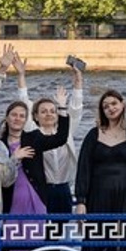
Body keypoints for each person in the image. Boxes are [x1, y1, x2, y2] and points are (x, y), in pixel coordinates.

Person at [74, 54, 126, 215]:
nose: (110, 108)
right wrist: (80, 201)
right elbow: (83, 168)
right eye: (106, 106)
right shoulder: (94, 134)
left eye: (114, 103)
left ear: (123, 104)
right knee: (100, 231)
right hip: (98, 195)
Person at [0, 88, 71, 214]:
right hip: (10, 199)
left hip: (35, 197)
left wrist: (62, 108)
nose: (17, 119)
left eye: (22, 116)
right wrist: (15, 158)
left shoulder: (33, 138)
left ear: (26, 120)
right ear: (7, 118)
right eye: (14, 115)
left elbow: (60, 139)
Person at [39, 58, 85, 213]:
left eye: (53, 111)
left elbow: (76, 109)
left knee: (63, 224)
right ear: (36, 116)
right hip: (43, 189)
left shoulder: (65, 132)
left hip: (64, 189)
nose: (49, 114)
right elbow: (23, 101)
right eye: (44, 112)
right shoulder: (34, 134)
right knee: (43, 226)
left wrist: (78, 82)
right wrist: (21, 78)